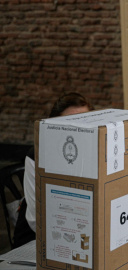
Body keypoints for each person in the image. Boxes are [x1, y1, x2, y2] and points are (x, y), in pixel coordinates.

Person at [12, 92, 94, 248]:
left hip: (81, 235)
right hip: (37, 239)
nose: (78, 130)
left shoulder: (93, 155)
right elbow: (36, 220)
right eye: (70, 123)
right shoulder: (37, 156)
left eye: (85, 122)